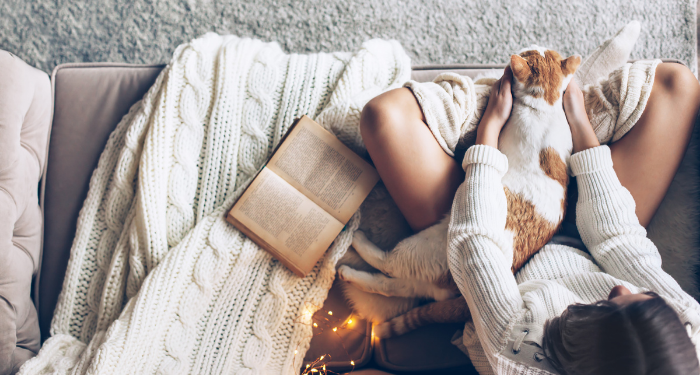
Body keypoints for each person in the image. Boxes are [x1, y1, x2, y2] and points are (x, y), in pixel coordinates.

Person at [359, 61, 700, 374]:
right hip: (589, 247)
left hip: (503, 261)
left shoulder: (518, 348)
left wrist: (489, 134)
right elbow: (619, 240)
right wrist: (579, 125)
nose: (620, 288)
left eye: (612, 301)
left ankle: (505, 116)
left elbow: (475, 243)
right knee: (676, 83)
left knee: (383, 116)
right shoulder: (683, 328)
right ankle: (547, 117)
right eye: (642, 296)